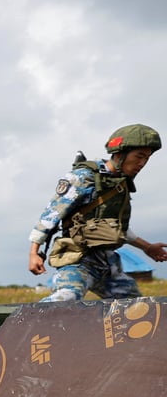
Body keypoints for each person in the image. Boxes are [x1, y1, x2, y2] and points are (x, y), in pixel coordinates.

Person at [28, 124, 167, 302]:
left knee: (136, 308)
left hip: (109, 264)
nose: (142, 163)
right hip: (78, 260)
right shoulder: (83, 177)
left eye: (146, 158)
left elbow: (118, 229)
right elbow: (51, 214)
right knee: (65, 299)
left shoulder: (121, 184)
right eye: (139, 156)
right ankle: (24, 327)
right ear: (120, 153)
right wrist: (34, 252)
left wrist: (147, 247)